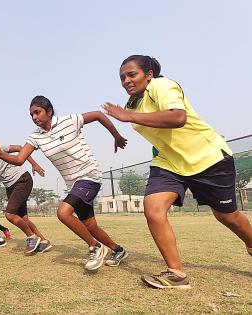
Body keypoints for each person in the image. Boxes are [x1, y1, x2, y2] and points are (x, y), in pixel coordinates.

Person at [102, 54, 252, 289]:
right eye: (122, 77)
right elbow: (158, 133)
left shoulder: (162, 85)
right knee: (153, 209)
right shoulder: (133, 103)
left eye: (132, 74)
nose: (126, 81)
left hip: (207, 157)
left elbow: (178, 117)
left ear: (149, 74)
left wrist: (128, 116)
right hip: (169, 163)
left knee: (227, 216)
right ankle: (176, 275)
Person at [0, 96, 128, 271]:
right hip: (73, 183)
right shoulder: (35, 137)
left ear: (49, 111)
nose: (34, 117)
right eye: (31, 115)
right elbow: (20, 159)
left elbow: (98, 115)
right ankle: (118, 250)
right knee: (90, 225)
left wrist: (117, 137)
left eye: (37, 112)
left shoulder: (70, 121)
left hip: (89, 175)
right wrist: (0, 155)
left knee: (63, 212)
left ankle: (95, 247)